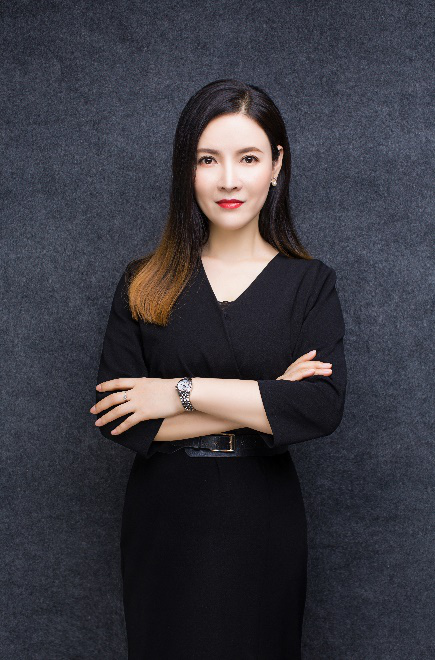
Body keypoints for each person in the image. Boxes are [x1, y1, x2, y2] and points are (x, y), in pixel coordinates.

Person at [91, 79, 347, 659]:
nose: (228, 179)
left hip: (263, 521)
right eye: (208, 159)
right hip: (165, 521)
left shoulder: (310, 284)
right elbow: (118, 418)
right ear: (186, 170)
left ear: (277, 165)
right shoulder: (143, 282)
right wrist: (267, 398)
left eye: (248, 158)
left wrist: (178, 393)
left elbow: (319, 406)